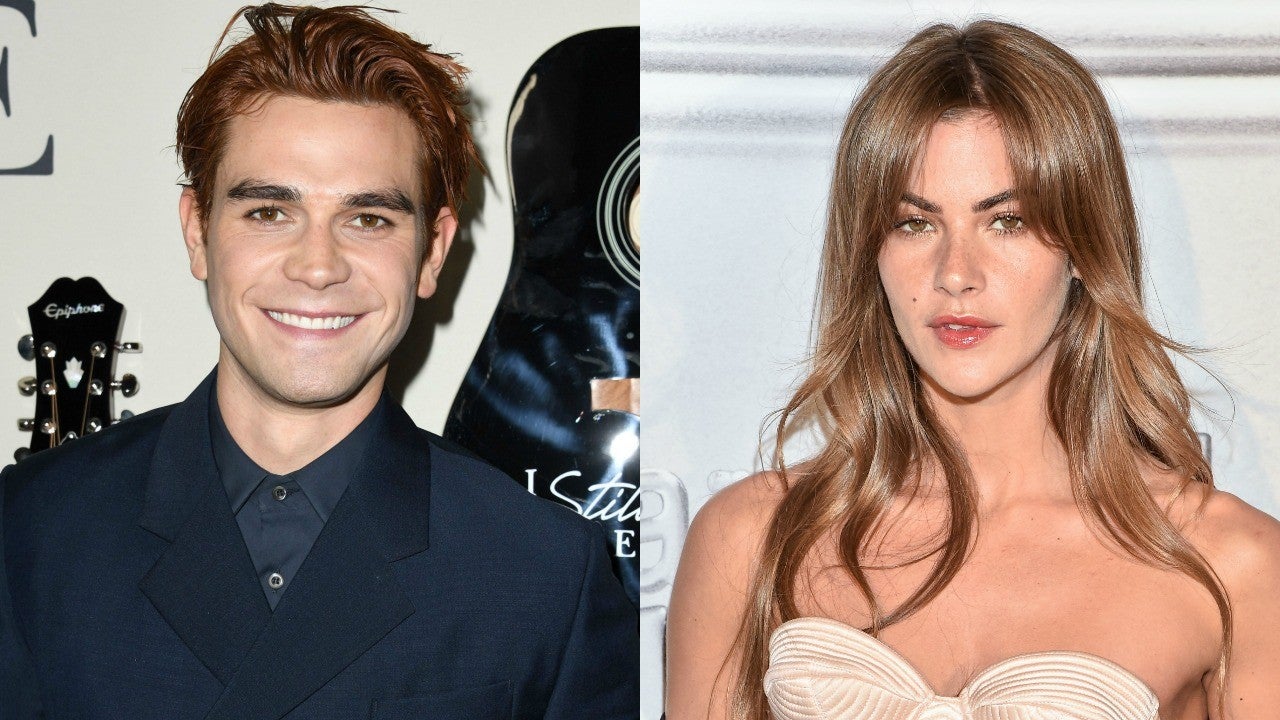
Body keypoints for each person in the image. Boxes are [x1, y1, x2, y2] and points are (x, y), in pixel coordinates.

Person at [0, 5, 637, 718]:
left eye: (368, 219)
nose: (317, 266)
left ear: (432, 252)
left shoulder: (545, 572)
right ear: (197, 232)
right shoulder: (33, 530)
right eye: (269, 212)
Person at [665, 19, 1280, 720]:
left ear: (1084, 248)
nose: (956, 273)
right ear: (870, 253)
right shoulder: (749, 539)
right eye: (915, 223)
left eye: (1007, 220)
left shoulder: (1234, 566)